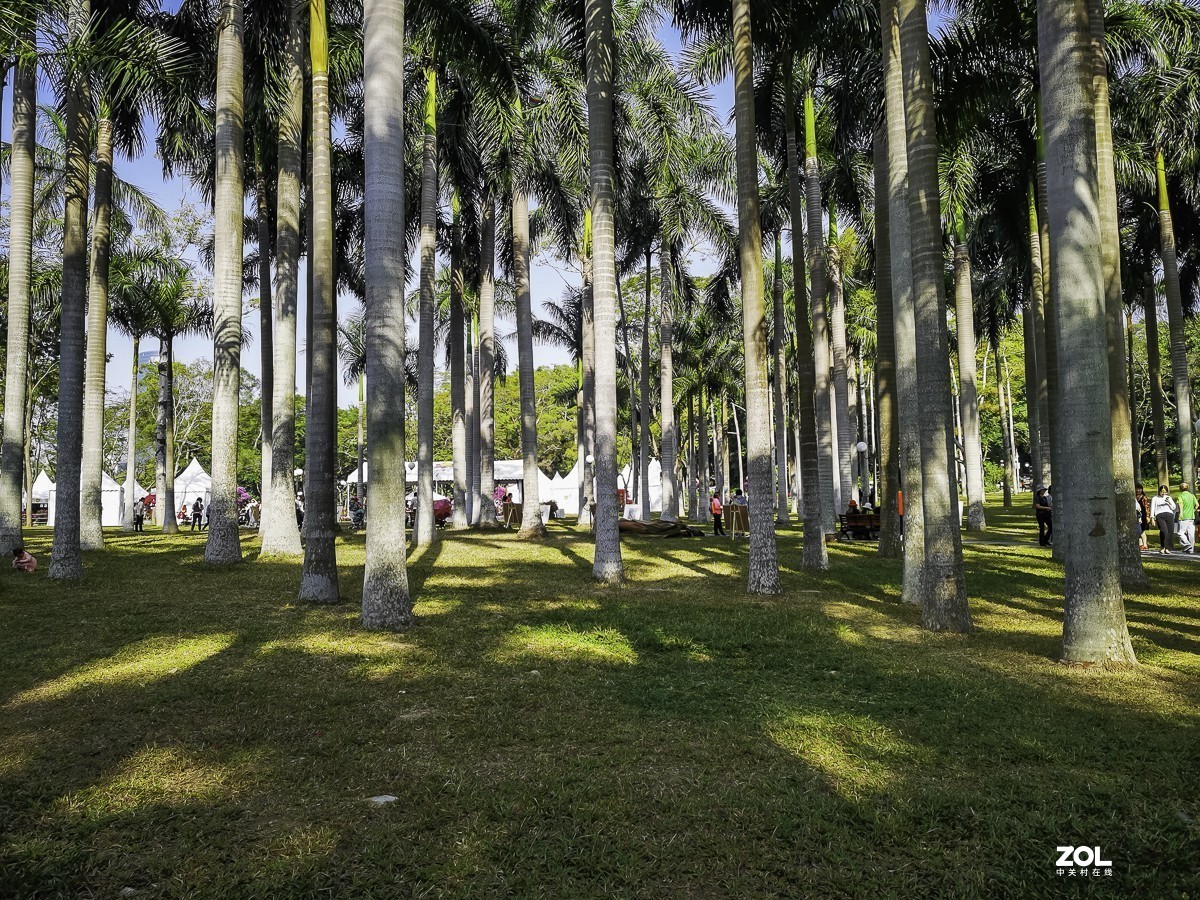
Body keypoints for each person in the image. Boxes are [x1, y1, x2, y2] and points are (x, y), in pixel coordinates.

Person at [1151, 484, 1178, 554]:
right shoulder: (1155, 498)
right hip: (1160, 515)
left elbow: (1174, 507)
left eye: (1165, 492)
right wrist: (1152, 517)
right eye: (1162, 492)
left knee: (1170, 532)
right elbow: (1152, 508)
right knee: (1164, 531)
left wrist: (1169, 502)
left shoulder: (1168, 497)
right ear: (1159, 491)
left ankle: (1167, 548)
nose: (1163, 493)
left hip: (1169, 515)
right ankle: (1163, 547)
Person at [1178, 482, 1197, 553]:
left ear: (1180, 488)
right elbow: (1197, 505)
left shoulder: (1180, 496)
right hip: (1191, 516)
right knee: (1191, 534)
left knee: (1181, 533)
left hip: (1184, 516)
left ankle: (1187, 544)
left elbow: (1180, 506)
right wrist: (1193, 510)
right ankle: (1191, 549)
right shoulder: (1192, 495)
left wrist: (1181, 514)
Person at [1135, 485, 1152, 551]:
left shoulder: (1144, 497)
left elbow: (1147, 507)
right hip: (1137, 514)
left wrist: (1148, 516)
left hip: (1143, 515)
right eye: (1137, 489)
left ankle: (1145, 544)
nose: (1138, 490)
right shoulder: (1134, 497)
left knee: (1142, 530)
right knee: (1138, 530)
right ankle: (1140, 544)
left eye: (1140, 489)